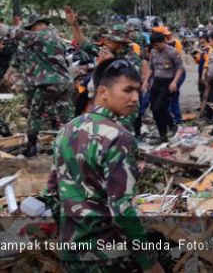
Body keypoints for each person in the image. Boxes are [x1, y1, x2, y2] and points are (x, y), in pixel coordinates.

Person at [45, 58, 164, 273]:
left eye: (138, 91)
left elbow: (52, 192)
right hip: (109, 257)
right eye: (127, 90)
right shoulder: (119, 137)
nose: (135, 98)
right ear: (103, 92)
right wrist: (149, 262)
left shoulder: (67, 130)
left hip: (71, 253)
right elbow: (122, 209)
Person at [0, 16, 73, 157]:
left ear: (38, 26)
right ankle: (73, 146)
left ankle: (31, 147)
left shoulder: (39, 37)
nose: (31, 31)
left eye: (31, 28)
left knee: (35, 115)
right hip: (64, 84)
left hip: (47, 84)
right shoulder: (58, 40)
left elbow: (9, 32)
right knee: (67, 118)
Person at [66, 7, 144, 135]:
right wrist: (75, 25)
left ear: (119, 42)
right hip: (107, 101)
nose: (106, 41)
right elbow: (84, 44)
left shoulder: (132, 58)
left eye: (110, 39)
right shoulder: (106, 50)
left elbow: (132, 79)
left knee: (120, 134)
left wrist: (112, 62)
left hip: (124, 103)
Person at [142, 33, 184, 145]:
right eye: (153, 45)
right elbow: (151, 68)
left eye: (157, 45)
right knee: (155, 110)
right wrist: (146, 80)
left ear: (163, 41)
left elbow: (180, 68)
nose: (155, 47)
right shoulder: (153, 52)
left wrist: (175, 82)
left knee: (158, 108)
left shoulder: (172, 52)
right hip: (156, 82)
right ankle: (163, 135)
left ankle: (171, 124)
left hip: (168, 82)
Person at [163, 28, 186, 125]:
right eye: (165, 35)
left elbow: (179, 61)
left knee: (173, 96)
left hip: (177, 73)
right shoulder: (161, 45)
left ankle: (176, 119)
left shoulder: (176, 44)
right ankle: (172, 118)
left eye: (168, 34)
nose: (167, 36)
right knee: (169, 96)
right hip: (169, 73)